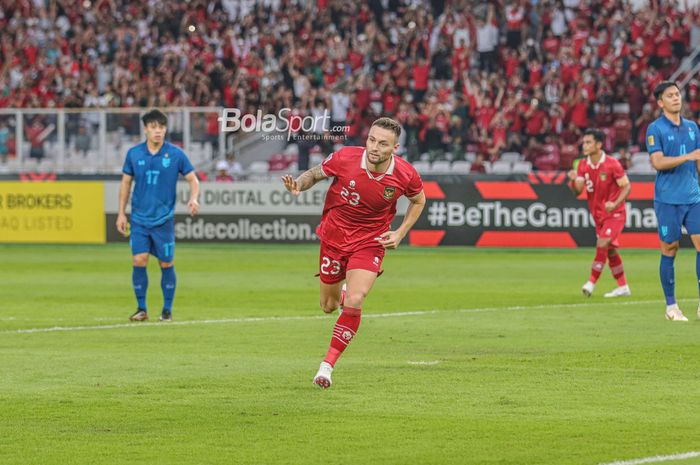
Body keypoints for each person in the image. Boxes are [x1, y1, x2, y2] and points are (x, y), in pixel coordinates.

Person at [282, 117, 426, 389]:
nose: (374, 147)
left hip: (370, 241)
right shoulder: (346, 157)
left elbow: (419, 200)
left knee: (357, 298)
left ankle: (326, 367)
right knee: (329, 306)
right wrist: (299, 185)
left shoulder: (406, 174)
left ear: (395, 148)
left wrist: (400, 232)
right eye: (372, 139)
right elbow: (313, 174)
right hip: (334, 239)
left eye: (383, 143)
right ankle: (343, 293)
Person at [116, 109, 200, 322]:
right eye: (153, 127)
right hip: (139, 220)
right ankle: (142, 308)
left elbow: (193, 179)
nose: (158, 131)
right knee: (139, 260)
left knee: (166, 263)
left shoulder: (176, 154)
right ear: (145, 129)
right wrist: (121, 214)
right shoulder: (134, 154)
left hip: (163, 221)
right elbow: (126, 184)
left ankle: (167, 310)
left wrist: (194, 198)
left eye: (161, 127)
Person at [646, 81, 700, 321]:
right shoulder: (655, 129)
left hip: (693, 196)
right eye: (670, 95)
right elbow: (657, 162)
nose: (676, 98)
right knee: (670, 248)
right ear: (660, 102)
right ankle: (671, 306)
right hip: (668, 199)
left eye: (677, 94)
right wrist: (687, 156)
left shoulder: (692, 128)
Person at [568, 128, 631, 298]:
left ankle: (590, 283)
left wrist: (615, 203)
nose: (584, 145)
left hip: (615, 213)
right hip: (598, 215)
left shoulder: (612, 163)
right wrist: (573, 180)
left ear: (599, 144)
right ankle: (623, 286)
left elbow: (626, 186)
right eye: (584, 142)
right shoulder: (582, 164)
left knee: (602, 244)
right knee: (610, 251)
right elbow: (578, 191)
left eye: (588, 142)